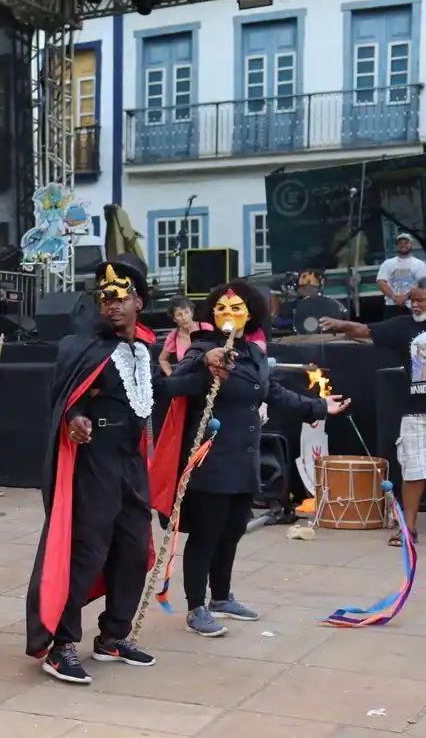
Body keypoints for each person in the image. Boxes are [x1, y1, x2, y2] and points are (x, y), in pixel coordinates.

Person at [26, 261, 210, 684]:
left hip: (131, 463)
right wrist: (75, 417)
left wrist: (205, 367)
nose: (112, 306)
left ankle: (113, 636)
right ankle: (62, 645)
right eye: (106, 299)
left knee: (132, 550)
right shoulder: (82, 347)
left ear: (138, 303)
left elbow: (161, 391)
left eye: (121, 298)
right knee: (87, 552)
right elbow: (65, 397)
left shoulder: (144, 350)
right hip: (95, 461)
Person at [157, 282, 349, 637]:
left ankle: (221, 597)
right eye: (222, 309)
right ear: (212, 314)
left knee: (231, 532)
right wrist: (202, 367)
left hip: (244, 461)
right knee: (205, 535)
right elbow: (169, 387)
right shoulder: (204, 351)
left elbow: (274, 393)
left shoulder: (256, 356)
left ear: (250, 314)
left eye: (237, 308)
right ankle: (196, 607)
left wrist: (321, 406)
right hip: (210, 463)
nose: (229, 315)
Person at [322, 282, 426, 546]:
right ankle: (408, 528)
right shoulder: (402, 326)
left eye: (421, 300)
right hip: (415, 413)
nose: (415, 305)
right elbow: (365, 330)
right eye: (413, 300)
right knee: (413, 473)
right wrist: (341, 324)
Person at [159, 296, 212, 376]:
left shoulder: (206, 328)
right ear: (174, 319)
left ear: (192, 313)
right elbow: (162, 359)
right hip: (186, 380)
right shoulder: (173, 335)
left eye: (186, 312)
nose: (184, 317)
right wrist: (172, 376)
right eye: (179, 315)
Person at [377, 233, 426, 318]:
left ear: (411, 244)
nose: (403, 245)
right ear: (396, 246)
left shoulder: (420, 264)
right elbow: (381, 282)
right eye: (400, 243)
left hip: (413, 306)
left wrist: (406, 296)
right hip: (391, 306)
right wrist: (393, 297)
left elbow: (422, 284)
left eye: (406, 243)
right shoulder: (387, 263)